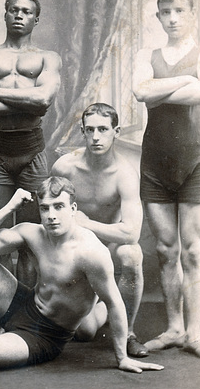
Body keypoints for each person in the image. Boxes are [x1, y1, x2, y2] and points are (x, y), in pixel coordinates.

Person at [0, 177, 163, 374]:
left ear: (73, 208)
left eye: (58, 207)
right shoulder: (33, 232)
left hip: (46, 335)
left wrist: (122, 358)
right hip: (25, 306)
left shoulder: (90, 252)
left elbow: (115, 303)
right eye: (45, 208)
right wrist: (9, 207)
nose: (51, 216)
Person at [0, 0, 61, 285]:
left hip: (33, 152)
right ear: (5, 14)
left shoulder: (48, 57)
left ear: (36, 19)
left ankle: (27, 319)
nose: (19, 15)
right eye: (14, 10)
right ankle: (6, 318)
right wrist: (25, 100)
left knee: (31, 240)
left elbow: (43, 100)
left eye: (27, 11)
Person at [133, 0, 200, 359]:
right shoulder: (147, 54)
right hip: (155, 162)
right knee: (165, 250)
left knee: (193, 251)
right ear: (158, 16)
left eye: (179, 11)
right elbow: (138, 91)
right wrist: (185, 81)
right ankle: (173, 327)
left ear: (192, 14)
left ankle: (194, 333)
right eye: (165, 12)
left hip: (195, 161)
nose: (173, 18)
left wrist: (157, 89)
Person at [51, 103, 148, 358]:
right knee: (85, 332)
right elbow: (51, 215)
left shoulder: (125, 174)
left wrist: (85, 223)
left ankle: (129, 333)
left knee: (132, 253)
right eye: (90, 129)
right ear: (82, 131)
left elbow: (131, 233)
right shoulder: (65, 167)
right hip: (77, 247)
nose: (96, 137)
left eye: (103, 129)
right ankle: (101, 303)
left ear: (116, 131)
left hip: (109, 243)